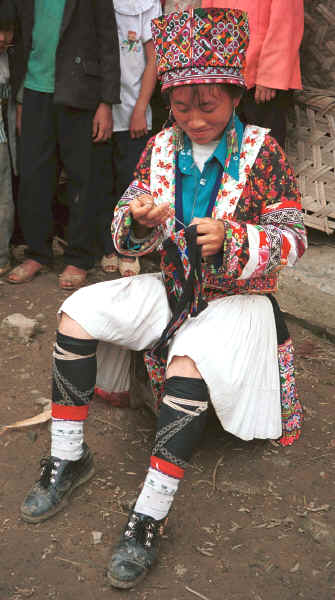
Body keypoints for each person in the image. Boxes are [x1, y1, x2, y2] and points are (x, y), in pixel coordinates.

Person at [20, 7, 307, 590]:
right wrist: (140, 218)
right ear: (167, 100)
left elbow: (293, 237)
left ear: (235, 95)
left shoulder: (263, 152)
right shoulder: (159, 147)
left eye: (210, 106)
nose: (195, 120)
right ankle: (70, 457)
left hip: (239, 300)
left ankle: (148, 515)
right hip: (174, 288)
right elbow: (125, 227)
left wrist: (240, 237)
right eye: (180, 106)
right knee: (76, 312)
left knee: (186, 364)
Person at [7, 0, 120, 289]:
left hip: (80, 90)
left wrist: (106, 102)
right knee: (34, 177)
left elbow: (108, 41)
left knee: (84, 178)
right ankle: (37, 253)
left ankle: (80, 257)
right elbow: (21, 43)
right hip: (33, 91)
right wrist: (20, 99)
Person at [98, 0, 161, 278]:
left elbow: (153, 60)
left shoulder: (147, 5)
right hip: (99, 110)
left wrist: (139, 108)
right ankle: (107, 246)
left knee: (130, 184)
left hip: (134, 110)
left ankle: (127, 248)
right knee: (101, 182)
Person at [202, 0, 304, 148]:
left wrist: (270, 77)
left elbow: (285, 25)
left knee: (263, 147)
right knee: (228, 145)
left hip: (261, 80)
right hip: (225, 71)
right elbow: (208, 17)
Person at [0, 0, 16, 277]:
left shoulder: (12, 59)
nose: (2, 37)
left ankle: (2, 254)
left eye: (7, 30)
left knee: (3, 200)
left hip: (1, 139)